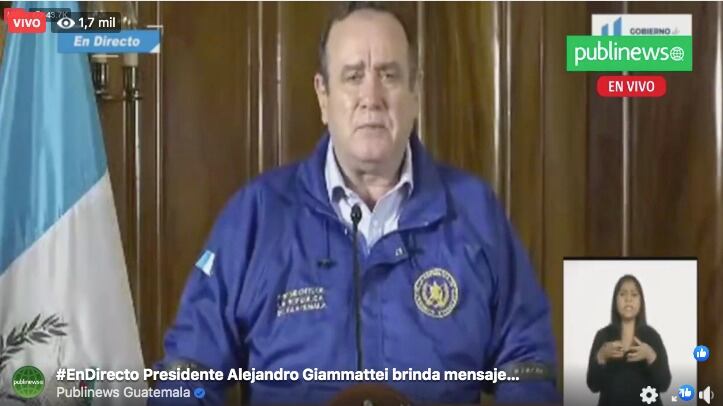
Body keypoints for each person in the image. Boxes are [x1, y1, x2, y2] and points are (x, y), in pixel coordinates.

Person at [150, 2, 559, 404]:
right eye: (353, 76)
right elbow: (188, 372)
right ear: (323, 96)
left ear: (415, 92)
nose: (371, 97)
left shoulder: (475, 213)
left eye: (389, 75)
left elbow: (527, 362)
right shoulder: (256, 216)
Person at [586, 275, 671, 406]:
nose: (628, 299)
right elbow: (593, 385)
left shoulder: (652, 337)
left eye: (634, 294)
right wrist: (601, 357)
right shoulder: (603, 336)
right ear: (615, 301)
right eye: (622, 294)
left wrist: (650, 356)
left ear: (641, 301)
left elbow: (664, 384)